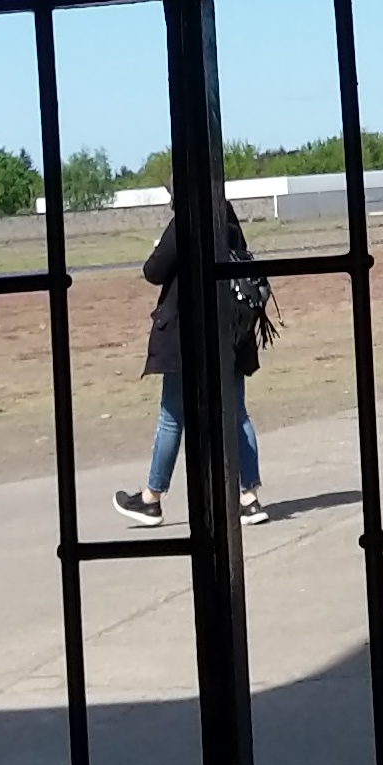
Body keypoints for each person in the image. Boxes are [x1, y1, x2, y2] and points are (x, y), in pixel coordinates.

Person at [113, 200, 271, 527]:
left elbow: (153, 271)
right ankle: (249, 498)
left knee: (172, 417)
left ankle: (151, 498)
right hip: (230, 334)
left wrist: (160, 246)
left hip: (188, 335)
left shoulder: (185, 220)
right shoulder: (227, 220)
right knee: (237, 414)